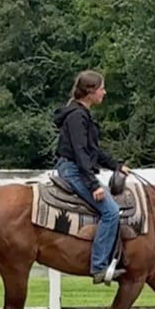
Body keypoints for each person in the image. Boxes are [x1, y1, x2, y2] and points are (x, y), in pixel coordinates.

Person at [52, 70, 131, 284]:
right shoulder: (77, 117)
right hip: (74, 170)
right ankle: (98, 266)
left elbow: (92, 151)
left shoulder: (80, 114)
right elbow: (80, 153)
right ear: (90, 92)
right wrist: (93, 184)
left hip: (76, 168)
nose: (104, 92)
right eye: (101, 88)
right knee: (111, 211)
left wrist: (116, 165)